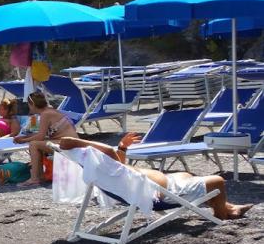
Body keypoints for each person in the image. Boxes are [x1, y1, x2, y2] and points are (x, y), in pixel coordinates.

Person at [59, 134, 254, 220]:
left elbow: (120, 165)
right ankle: (223, 215)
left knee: (186, 173)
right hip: (162, 195)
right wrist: (84, 142)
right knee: (218, 181)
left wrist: (123, 147)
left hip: (159, 186)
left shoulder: (102, 168)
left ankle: (229, 208)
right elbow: (68, 141)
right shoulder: (103, 158)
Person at [15, 92, 77, 186]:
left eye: (29, 105)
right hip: (70, 142)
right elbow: (43, 134)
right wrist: (25, 137)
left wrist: (23, 140)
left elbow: (40, 137)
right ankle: (40, 177)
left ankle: (35, 178)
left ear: (33, 104)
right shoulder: (50, 111)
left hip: (67, 144)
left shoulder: (45, 114)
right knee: (36, 143)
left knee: (34, 144)